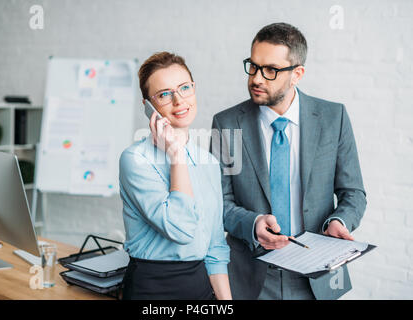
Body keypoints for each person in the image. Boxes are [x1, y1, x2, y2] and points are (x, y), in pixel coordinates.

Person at [211, 23, 366, 300]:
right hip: (251, 275)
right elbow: (220, 202)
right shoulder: (227, 125)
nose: (256, 78)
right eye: (253, 66)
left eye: (270, 70)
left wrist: (339, 220)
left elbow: (352, 192)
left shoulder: (333, 118)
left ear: (297, 74)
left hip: (319, 274)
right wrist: (253, 223)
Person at [119, 52, 231, 300]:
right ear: (148, 107)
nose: (179, 101)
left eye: (184, 88)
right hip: (152, 289)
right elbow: (180, 229)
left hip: (201, 286)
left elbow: (215, 247)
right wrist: (176, 155)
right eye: (165, 94)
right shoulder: (136, 160)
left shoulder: (209, 163)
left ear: (194, 89)